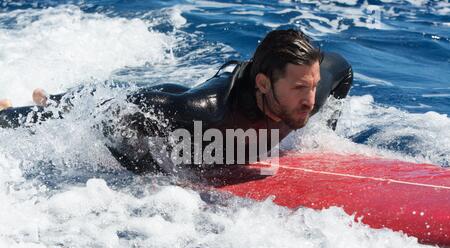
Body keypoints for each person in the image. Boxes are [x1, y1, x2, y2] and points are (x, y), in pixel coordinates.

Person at [0, 29, 353, 173]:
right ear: (264, 83)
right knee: (75, 110)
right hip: (182, 101)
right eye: (299, 89)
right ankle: (39, 105)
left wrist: (319, 138)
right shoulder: (207, 114)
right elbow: (115, 114)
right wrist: (152, 171)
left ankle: (48, 98)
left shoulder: (306, 94)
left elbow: (344, 71)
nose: (310, 100)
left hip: (188, 98)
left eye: (313, 87)